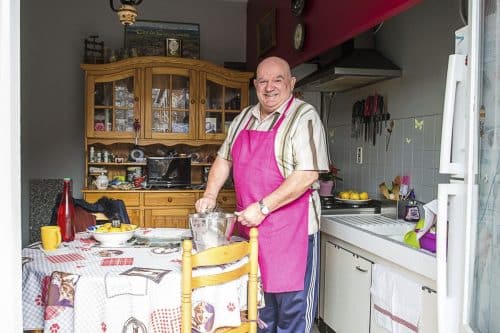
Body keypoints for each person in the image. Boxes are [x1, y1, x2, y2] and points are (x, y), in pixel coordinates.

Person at [195, 56, 329, 333]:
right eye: (263, 81)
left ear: (291, 83)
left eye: (278, 79)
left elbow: (308, 174)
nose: (270, 87)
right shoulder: (244, 117)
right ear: (255, 85)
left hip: (293, 233)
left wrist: (264, 207)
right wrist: (210, 194)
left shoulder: (304, 117)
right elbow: (224, 159)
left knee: (292, 314)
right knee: (257, 311)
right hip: (251, 230)